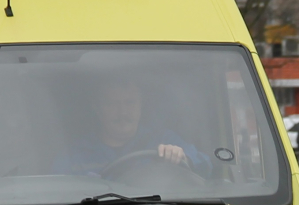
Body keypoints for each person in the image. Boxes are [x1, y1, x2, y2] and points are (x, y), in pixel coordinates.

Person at [58, 74, 210, 178]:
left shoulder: (163, 140)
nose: (122, 112)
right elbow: (56, 192)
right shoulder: (75, 155)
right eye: (111, 103)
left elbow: (205, 167)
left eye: (130, 102)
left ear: (141, 105)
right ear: (96, 108)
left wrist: (183, 158)